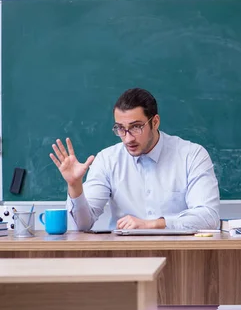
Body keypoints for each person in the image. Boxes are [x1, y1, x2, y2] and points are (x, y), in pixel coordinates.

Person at [49, 88, 220, 231]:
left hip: (181, 256)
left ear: (155, 122)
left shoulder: (192, 155)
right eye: (120, 129)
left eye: (136, 127)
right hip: (123, 257)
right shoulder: (107, 160)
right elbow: (83, 226)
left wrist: (153, 224)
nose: (128, 138)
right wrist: (75, 186)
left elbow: (209, 217)